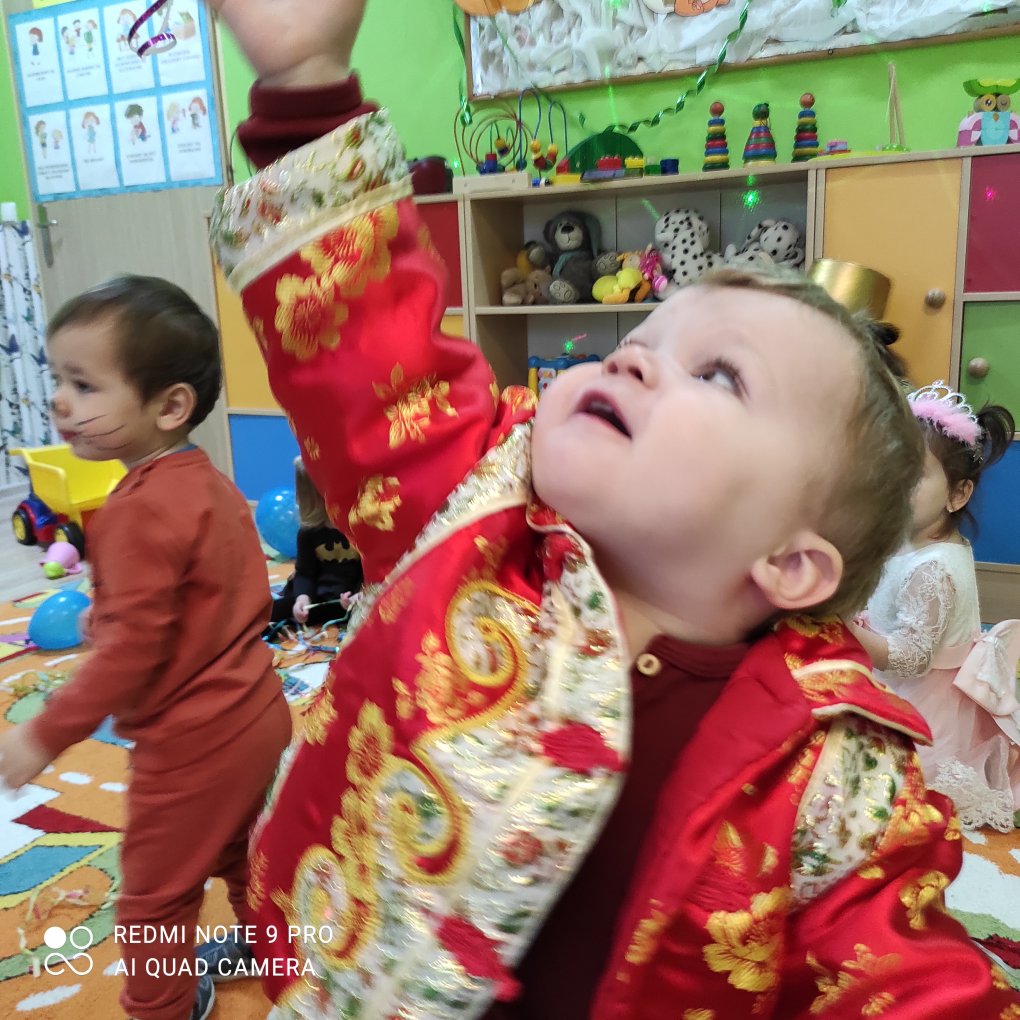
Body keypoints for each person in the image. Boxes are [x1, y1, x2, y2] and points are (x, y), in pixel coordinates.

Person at [207, 1, 1020, 1016]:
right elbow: (368, 350)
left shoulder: (834, 781)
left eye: (718, 375)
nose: (633, 358)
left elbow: (908, 977)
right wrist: (303, 79)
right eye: (641, 338)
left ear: (790, 562)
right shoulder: (481, 504)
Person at [0, 276, 292, 1020]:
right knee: (238, 849)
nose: (60, 401)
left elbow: (130, 654)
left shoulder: (134, 510)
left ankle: (160, 1008)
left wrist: (43, 733)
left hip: (192, 743)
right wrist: (112, 619)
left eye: (85, 385)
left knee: (153, 900)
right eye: (60, 379)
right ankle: (277, 953)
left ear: (169, 406)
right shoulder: (210, 482)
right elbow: (219, 595)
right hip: (255, 712)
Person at [852, 383, 1019, 832]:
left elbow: (912, 658)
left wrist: (847, 630)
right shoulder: (909, 541)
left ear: (957, 495)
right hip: (896, 685)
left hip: (925, 707)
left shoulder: (935, 567)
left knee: (884, 796)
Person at [268, 455, 363, 631]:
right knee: (278, 609)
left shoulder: (360, 526)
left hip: (351, 592)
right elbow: (304, 572)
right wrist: (302, 598)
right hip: (319, 593)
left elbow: (371, 570)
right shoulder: (308, 532)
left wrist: (359, 594)